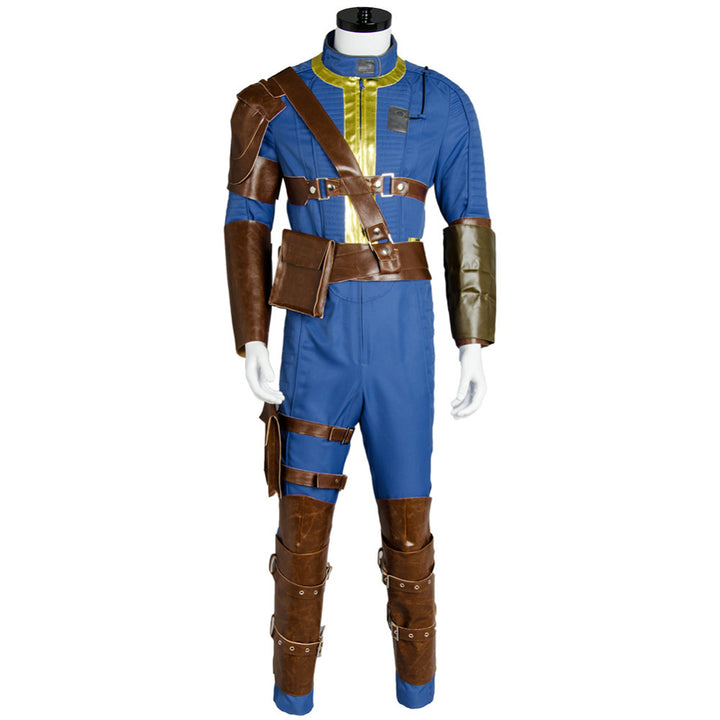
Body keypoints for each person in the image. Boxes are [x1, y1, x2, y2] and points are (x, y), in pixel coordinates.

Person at [223, 7, 496, 715]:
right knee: (301, 532)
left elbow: (469, 219)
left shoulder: (445, 101)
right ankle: (293, 694)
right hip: (315, 335)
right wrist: (253, 337)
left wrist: (472, 341)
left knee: (410, 521)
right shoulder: (271, 102)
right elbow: (245, 221)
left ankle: (416, 690)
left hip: (406, 334)